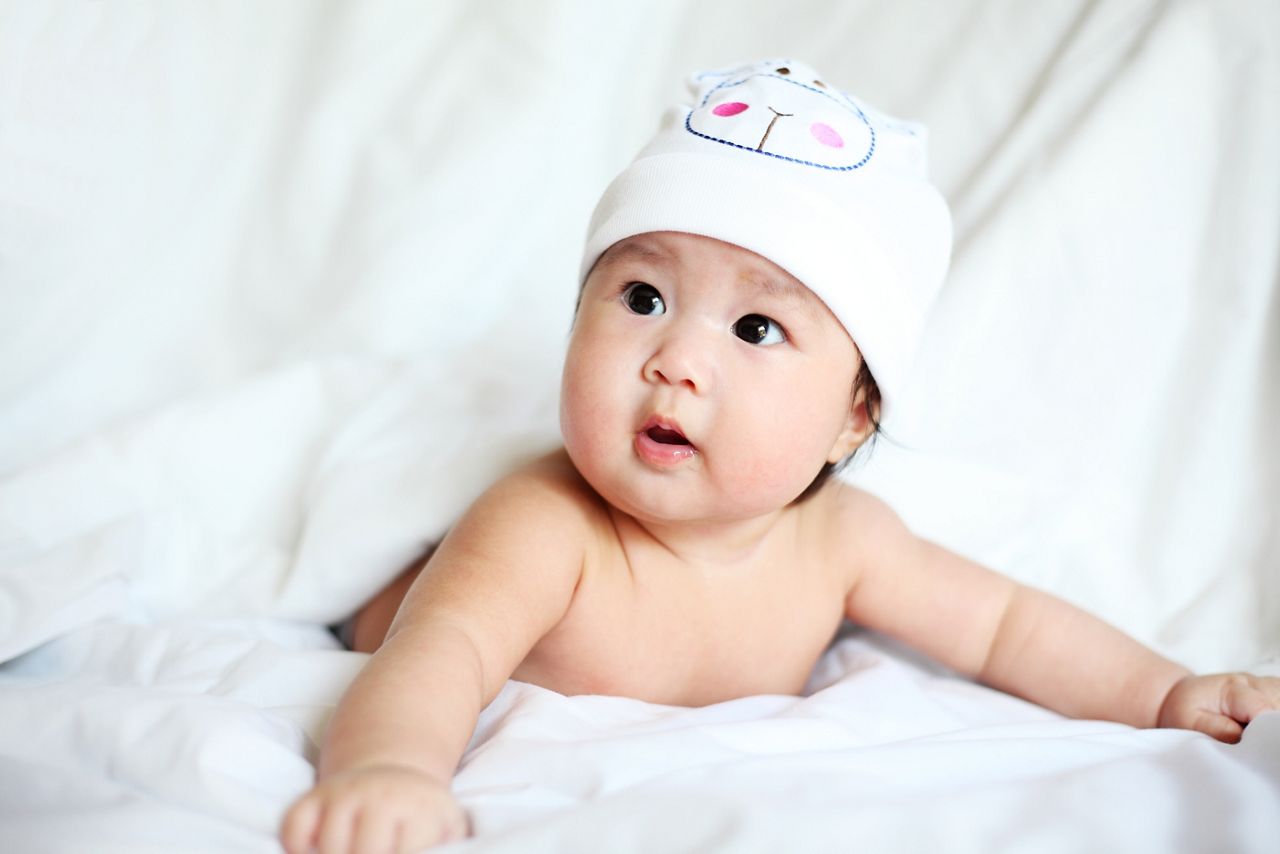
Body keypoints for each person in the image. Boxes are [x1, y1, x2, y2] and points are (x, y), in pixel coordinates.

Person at [280, 59, 1280, 854]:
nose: (675, 362)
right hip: (409, 604)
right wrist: (390, 770)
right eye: (641, 297)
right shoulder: (546, 524)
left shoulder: (839, 539)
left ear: (852, 418)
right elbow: (438, 652)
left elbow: (1003, 625)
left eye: (755, 328)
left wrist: (1161, 692)